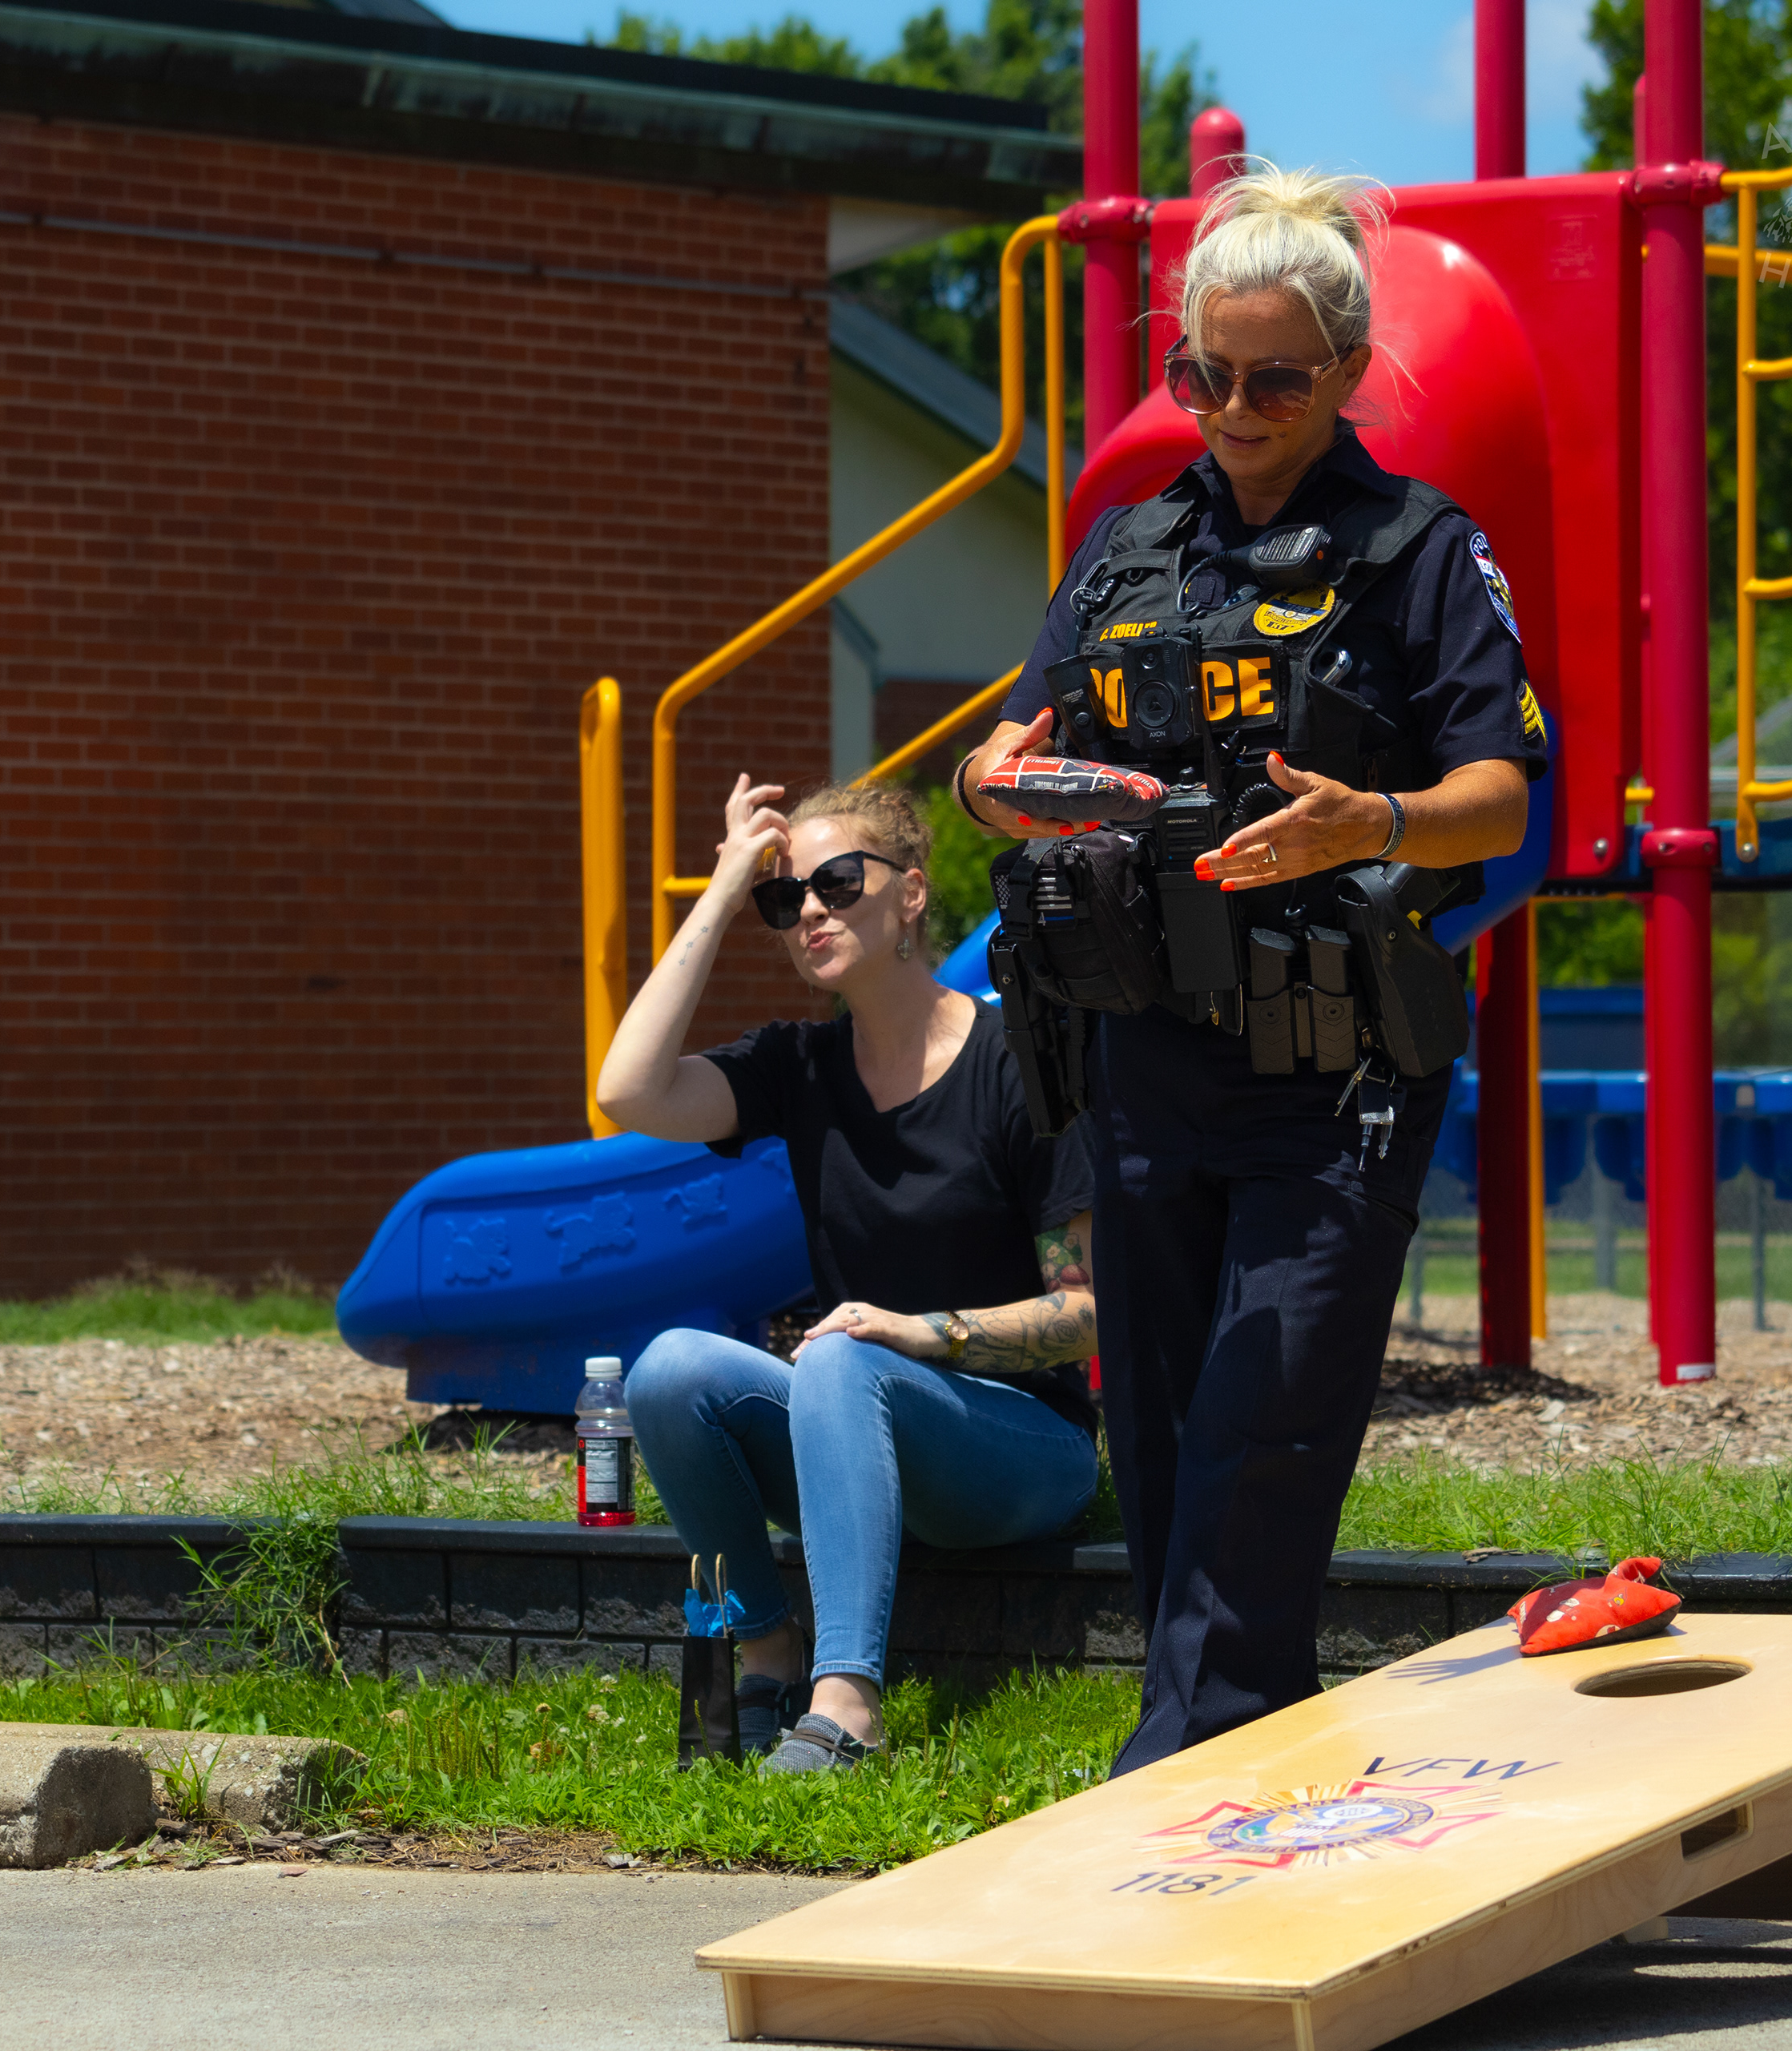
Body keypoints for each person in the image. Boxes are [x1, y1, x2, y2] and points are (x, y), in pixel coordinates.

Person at [955, 165, 1548, 1773]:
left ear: (1350, 370)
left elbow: (1504, 791)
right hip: (1147, 1059)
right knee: (1156, 1436)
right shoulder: (1127, 550)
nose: (1231, 406)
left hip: (1335, 1068)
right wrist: (1010, 785)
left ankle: (1176, 1765)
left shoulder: (1420, 554)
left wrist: (1379, 817)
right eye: (1199, 374)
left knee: (1264, 1414)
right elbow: (1003, 753)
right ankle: (1230, 1753)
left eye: (1271, 377)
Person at [595, 778, 1101, 1774]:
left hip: (1021, 1450)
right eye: (785, 900)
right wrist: (727, 879)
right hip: (859, 1421)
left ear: (911, 894)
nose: (809, 910)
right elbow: (628, 1088)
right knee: (667, 1371)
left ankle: (848, 1705)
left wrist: (923, 1332)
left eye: (836, 882)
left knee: (840, 1356)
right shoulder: (801, 1067)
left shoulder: (1018, 1066)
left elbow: (1086, 1312)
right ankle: (768, 1655)